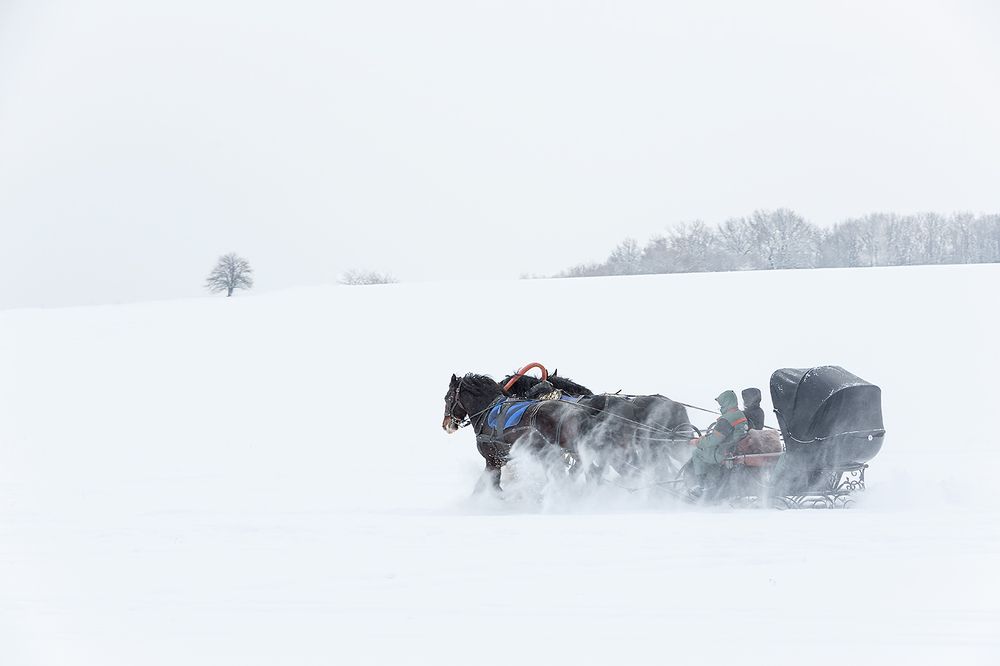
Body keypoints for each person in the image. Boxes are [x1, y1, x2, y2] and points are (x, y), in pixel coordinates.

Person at [687, 390, 749, 495]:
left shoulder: (725, 419)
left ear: (726, 403)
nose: (720, 406)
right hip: (733, 448)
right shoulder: (740, 414)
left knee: (697, 453)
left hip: (724, 452)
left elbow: (713, 441)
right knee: (707, 451)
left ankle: (701, 486)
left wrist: (697, 442)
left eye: (721, 404)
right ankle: (713, 481)